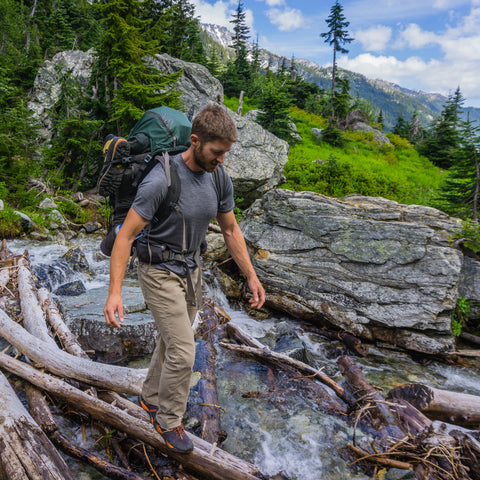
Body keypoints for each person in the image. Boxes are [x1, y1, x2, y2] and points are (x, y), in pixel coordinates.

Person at [103, 103, 265, 454]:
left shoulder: (219, 176)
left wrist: (250, 276)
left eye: (226, 153)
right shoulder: (162, 178)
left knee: (171, 340)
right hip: (157, 269)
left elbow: (231, 228)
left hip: (192, 269)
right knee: (183, 349)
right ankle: (168, 421)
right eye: (217, 152)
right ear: (195, 141)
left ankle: (150, 398)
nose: (222, 159)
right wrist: (114, 293)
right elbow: (126, 237)